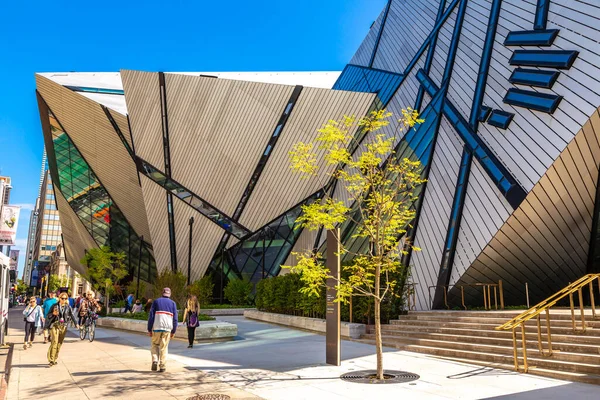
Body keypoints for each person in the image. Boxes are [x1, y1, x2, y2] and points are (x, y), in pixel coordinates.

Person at [147, 288, 177, 372]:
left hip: (156, 327)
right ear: (169, 294)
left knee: (154, 344)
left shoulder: (156, 302)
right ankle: (162, 366)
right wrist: (173, 331)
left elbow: (151, 316)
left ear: (162, 293)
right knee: (164, 347)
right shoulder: (173, 304)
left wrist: (149, 329)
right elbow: (175, 319)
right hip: (167, 328)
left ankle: (155, 360)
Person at [45, 292, 79, 366]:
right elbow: (48, 315)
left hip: (63, 326)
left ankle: (55, 357)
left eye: (65, 298)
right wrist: (53, 314)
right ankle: (51, 359)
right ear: (59, 298)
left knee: (59, 343)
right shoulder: (55, 306)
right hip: (55, 325)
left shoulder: (68, 307)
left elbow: (72, 315)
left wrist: (76, 323)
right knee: (54, 341)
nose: (64, 300)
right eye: (62, 298)